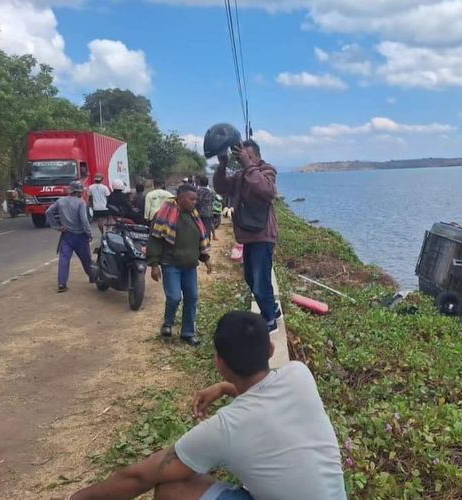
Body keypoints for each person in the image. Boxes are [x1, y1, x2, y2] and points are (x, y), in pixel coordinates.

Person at [70, 311, 346, 500]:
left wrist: (79, 497)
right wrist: (228, 388)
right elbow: (264, 406)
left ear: (220, 363)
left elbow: (140, 476)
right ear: (271, 350)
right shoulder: (299, 374)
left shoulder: (225, 427)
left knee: (172, 488)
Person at [213, 139, 280, 332]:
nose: (244, 159)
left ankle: (269, 320)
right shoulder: (241, 175)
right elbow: (221, 188)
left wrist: (247, 164)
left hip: (263, 234)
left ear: (257, 156)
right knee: (251, 278)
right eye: (242, 156)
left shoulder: (267, 171)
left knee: (260, 280)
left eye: (249, 156)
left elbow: (266, 190)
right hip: (248, 234)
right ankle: (272, 309)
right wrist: (223, 165)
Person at [147, 184, 212, 346]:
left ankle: (188, 333)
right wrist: (154, 264)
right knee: (174, 297)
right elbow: (155, 240)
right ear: (180, 198)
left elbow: (200, 240)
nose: (194, 202)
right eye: (191, 199)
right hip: (171, 264)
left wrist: (206, 258)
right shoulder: (164, 214)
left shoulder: (194, 216)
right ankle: (168, 324)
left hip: (190, 265)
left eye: (195, 199)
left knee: (192, 298)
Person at [45, 181, 94, 293]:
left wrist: (57, 226)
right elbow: (84, 221)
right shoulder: (81, 203)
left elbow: (48, 212)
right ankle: (92, 277)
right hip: (80, 236)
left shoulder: (60, 201)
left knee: (64, 259)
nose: (81, 194)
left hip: (66, 235)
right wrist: (89, 234)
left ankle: (62, 284)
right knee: (86, 259)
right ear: (77, 192)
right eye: (80, 192)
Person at [196, 176, 216, 241]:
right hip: (208, 212)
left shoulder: (197, 191)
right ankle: (207, 242)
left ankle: (200, 241)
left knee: (199, 227)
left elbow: (196, 201)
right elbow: (213, 200)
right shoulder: (211, 191)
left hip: (198, 212)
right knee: (207, 228)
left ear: (200, 182)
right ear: (207, 183)